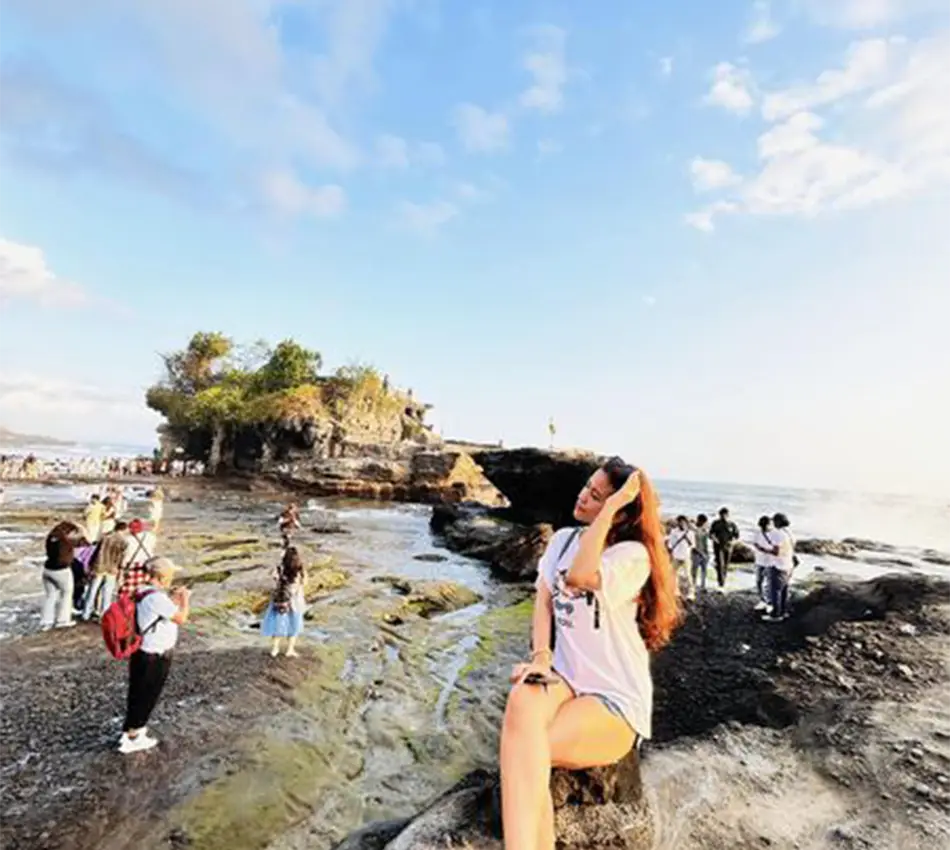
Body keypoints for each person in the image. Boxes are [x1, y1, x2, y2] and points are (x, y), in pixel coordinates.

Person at [499, 457, 680, 850]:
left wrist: (610, 512)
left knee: (529, 752)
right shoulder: (563, 539)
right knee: (522, 699)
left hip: (613, 697)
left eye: (597, 497)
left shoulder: (632, 557)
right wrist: (542, 655)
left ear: (617, 513)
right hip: (565, 677)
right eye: (587, 487)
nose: (583, 497)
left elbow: (580, 577)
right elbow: (544, 599)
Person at [119, 557, 190, 754]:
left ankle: (131, 730)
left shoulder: (144, 591)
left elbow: (160, 613)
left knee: (138, 692)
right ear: (163, 576)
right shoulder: (157, 597)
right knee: (147, 694)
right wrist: (185, 600)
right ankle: (132, 737)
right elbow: (181, 618)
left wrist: (173, 600)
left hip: (144, 651)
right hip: (154, 653)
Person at [261, 547, 307, 657]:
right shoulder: (300, 569)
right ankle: (289, 649)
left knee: (278, 625)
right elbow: (304, 583)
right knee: (294, 625)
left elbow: (273, 577)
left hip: (281, 600)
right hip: (296, 600)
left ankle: (275, 649)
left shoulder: (280, 568)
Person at [40, 521, 86, 630]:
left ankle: (46, 621)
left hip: (47, 569)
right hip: (62, 570)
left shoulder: (51, 538)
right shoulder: (66, 541)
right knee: (66, 595)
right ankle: (63, 620)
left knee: (50, 596)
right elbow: (82, 541)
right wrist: (81, 529)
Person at [83, 521, 129, 620]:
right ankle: (104, 615)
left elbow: (96, 552)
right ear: (124, 529)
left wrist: (90, 565)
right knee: (107, 593)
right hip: (112, 568)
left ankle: (86, 613)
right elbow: (122, 559)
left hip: (100, 566)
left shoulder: (105, 537)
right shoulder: (124, 541)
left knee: (92, 590)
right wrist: (121, 571)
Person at [764, 513, 795, 623]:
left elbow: (776, 551)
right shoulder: (789, 532)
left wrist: (764, 549)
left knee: (775, 590)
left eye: (774, 521)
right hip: (789, 564)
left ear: (777, 522)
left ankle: (775, 614)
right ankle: (783, 611)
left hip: (779, 565)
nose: (772, 523)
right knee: (784, 590)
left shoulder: (778, 534)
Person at [117, 519, 157, 598]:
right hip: (146, 565)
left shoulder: (127, 539)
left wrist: (121, 570)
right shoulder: (150, 537)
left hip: (131, 566)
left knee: (127, 594)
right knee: (144, 592)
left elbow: (125, 555)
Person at [752, 516, 778, 613]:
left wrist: (765, 550)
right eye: (767, 524)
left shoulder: (774, 534)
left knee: (769, 583)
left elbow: (776, 548)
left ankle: (769, 603)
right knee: (759, 581)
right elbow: (755, 544)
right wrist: (759, 548)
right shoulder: (758, 533)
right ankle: (762, 600)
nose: (769, 526)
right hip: (759, 561)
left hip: (770, 562)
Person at [666, 515, 696, 600]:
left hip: (686, 556)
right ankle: (676, 591)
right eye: (680, 522)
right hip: (676, 555)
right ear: (678, 523)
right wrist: (670, 549)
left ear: (686, 523)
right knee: (673, 573)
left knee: (688, 575)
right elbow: (670, 544)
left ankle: (691, 593)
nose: (681, 524)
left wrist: (687, 538)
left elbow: (693, 545)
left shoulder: (690, 533)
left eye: (683, 522)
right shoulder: (674, 531)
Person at [709, 507, 739, 589]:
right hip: (718, 547)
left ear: (728, 515)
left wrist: (732, 542)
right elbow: (711, 534)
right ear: (720, 515)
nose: (724, 516)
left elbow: (736, 536)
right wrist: (715, 540)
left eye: (725, 514)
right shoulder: (716, 523)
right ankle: (721, 583)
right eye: (722, 514)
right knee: (720, 564)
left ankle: (723, 581)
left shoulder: (732, 524)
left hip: (728, 547)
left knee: (726, 565)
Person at [691, 514, 710, 594]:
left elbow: (706, 543)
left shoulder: (704, 530)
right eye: (705, 522)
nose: (705, 524)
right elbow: (694, 544)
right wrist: (703, 553)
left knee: (703, 571)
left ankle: (702, 586)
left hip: (704, 553)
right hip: (696, 553)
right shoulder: (695, 531)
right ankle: (694, 586)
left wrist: (707, 554)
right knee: (695, 571)